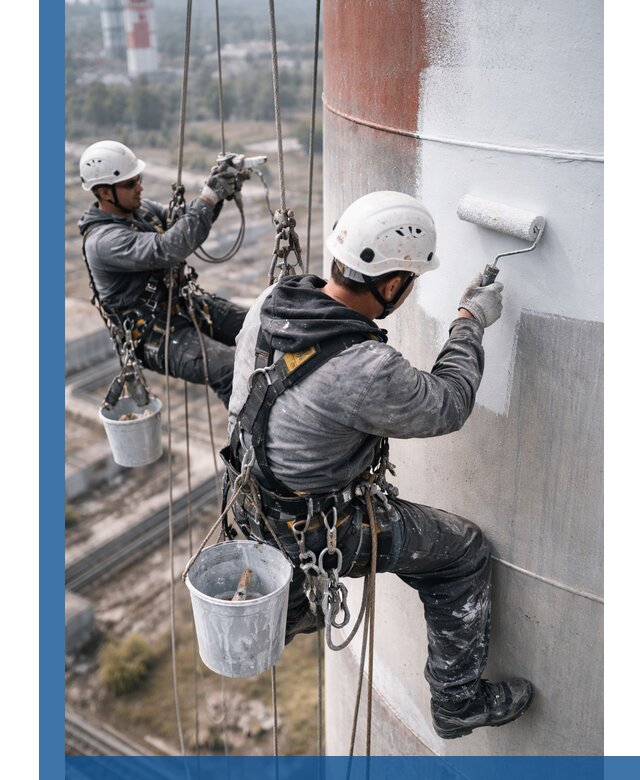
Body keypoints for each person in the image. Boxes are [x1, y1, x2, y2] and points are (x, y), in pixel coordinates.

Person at [223, 190, 534, 740]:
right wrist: (470, 321)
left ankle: (299, 600)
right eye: (410, 282)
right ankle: (458, 702)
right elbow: (448, 402)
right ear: (391, 285)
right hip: (315, 526)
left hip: (253, 505)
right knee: (461, 551)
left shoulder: (277, 299)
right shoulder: (363, 367)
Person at [78, 140, 248, 408]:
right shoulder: (104, 242)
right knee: (230, 370)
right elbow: (170, 247)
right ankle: (248, 444)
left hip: (183, 306)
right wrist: (210, 195)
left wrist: (217, 192)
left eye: (138, 179)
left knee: (257, 326)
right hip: (154, 335)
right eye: (130, 184)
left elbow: (185, 220)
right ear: (104, 193)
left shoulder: (140, 211)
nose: (139, 187)